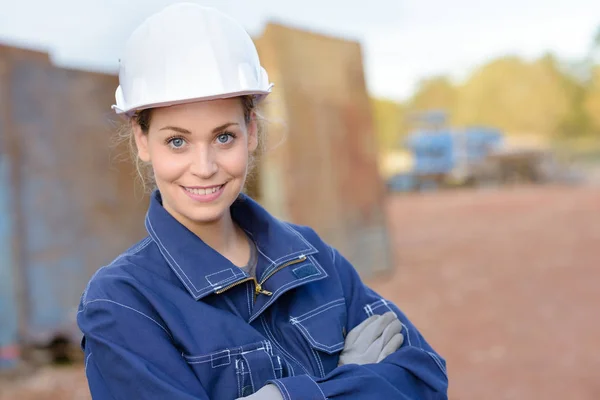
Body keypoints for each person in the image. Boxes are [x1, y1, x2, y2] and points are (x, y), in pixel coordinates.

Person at [76, 3, 448, 399]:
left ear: (251, 132)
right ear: (141, 140)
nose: (204, 167)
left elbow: (424, 378)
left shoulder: (313, 259)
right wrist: (350, 382)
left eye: (224, 137)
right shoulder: (124, 303)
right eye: (177, 141)